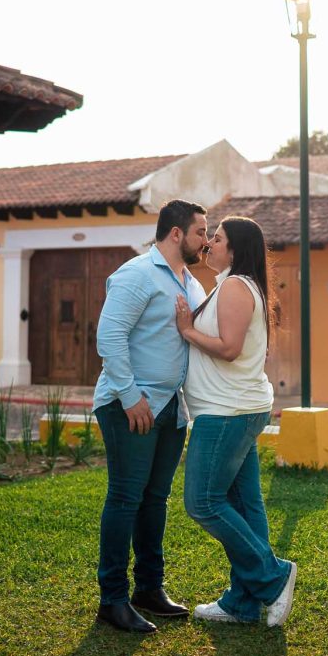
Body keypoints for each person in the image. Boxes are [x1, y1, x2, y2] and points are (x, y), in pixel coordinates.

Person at [93, 198, 208, 633]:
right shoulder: (137, 274)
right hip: (131, 406)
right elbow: (110, 335)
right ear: (176, 233)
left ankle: (149, 589)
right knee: (125, 498)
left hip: (170, 409)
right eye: (201, 231)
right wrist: (129, 395)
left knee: (155, 500)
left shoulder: (191, 283)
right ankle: (112, 600)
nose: (205, 239)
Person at [176, 216, 297, 627]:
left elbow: (228, 348)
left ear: (236, 248)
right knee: (245, 504)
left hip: (226, 412)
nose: (209, 243)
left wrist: (187, 330)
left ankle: (273, 576)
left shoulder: (233, 286)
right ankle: (242, 603)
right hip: (236, 408)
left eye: (219, 238)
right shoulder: (235, 285)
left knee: (203, 502)